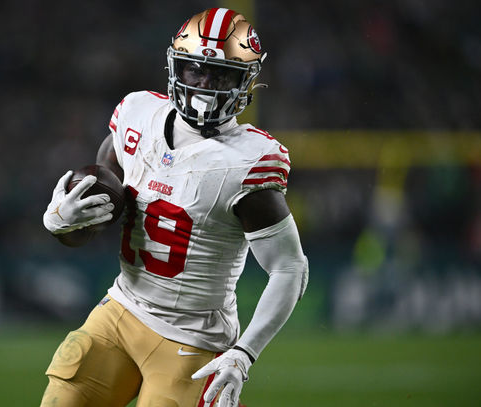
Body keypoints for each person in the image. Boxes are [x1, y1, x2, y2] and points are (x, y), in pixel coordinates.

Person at [41, 7, 308, 407]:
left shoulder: (248, 161)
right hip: (120, 309)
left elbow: (290, 268)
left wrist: (244, 353)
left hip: (193, 340)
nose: (205, 84)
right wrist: (60, 220)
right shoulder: (137, 115)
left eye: (221, 75)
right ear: (175, 68)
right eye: (195, 70)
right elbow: (97, 211)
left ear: (245, 81)